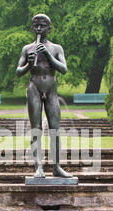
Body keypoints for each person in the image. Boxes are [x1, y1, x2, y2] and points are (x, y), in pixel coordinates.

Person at [16, 14, 72, 179]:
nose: (39, 29)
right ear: (33, 28)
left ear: (49, 28)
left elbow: (63, 69)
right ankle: (38, 167)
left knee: (55, 129)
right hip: (34, 88)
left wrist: (47, 55)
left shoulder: (56, 48)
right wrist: (27, 64)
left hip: (51, 89)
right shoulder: (27, 49)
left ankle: (56, 166)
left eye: (42, 26)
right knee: (36, 129)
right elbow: (18, 72)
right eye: (36, 26)